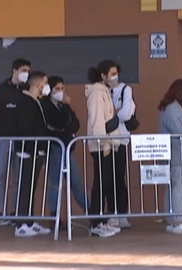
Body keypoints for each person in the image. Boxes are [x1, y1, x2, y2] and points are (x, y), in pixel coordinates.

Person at [0, 58, 31, 228]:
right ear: (14, 71)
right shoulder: (0, 90)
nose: (26, 73)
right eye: (23, 70)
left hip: (22, 141)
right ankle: (2, 212)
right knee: (0, 176)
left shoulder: (27, 90)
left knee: (19, 178)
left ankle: (16, 212)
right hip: (2, 139)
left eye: (28, 70)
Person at [41, 76, 88, 229]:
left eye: (62, 88)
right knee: (55, 183)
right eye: (57, 89)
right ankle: (55, 219)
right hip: (55, 147)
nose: (61, 92)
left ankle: (94, 213)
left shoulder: (63, 105)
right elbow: (58, 123)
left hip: (67, 147)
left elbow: (75, 123)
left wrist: (66, 122)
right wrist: (67, 111)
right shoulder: (45, 105)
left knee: (76, 183)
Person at [85, 62, 122, 237]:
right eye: (112, 73)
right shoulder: (97, 94)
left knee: (105, 182)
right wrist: (102, 143)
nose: (116, 76)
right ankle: (96, 223)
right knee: (100, 183)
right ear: (103, 75)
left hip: (107, 144)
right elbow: (97, 121)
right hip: (101, 145)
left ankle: (101, 221)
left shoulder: (104, 92)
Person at [13, 71, 52, 237]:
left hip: (36, 152)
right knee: (25, 188)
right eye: (45, 82)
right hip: (28, 153)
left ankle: (29, 221)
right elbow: (25, 128)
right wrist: (33, 149)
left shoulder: (35, 101)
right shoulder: (25, 102)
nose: (46, 86)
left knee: (31, 188)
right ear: (38, 84)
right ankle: (21, 224)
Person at [97, 60, 134, 229]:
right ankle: (111, 211)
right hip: (106, 140)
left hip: (121, 138)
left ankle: (122, 213)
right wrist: (115, 114)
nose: (113, 76)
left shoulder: (126, 89)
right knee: (107, 177)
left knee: (119, 177)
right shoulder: (101, 90)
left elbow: (126, 114)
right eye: (110, 73)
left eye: (115, 73)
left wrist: (111, 115)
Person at [158, 79, 182, 234]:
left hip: (175, 154)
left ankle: (173, 220)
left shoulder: (170, 107)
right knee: (180, 188)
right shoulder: (174, 109)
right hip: (179, 154)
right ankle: (178, 220)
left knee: (173, 187)